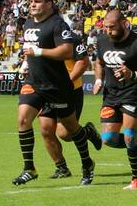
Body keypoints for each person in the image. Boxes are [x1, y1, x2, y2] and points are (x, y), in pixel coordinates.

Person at [13, 0, 99, 186]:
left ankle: (87, 163)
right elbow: (30, 50)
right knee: (24, 119)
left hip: (57, 86)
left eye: (37, 1)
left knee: (69, 130)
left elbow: (66, 51)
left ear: (49, 4)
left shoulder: (57, 24)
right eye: (31, 1)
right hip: (34, 83)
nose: (32, 4)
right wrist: (25, 64)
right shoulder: (28, 24)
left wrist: (39, 51)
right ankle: (30, 168)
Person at [92, 10, 137, 190]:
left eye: (112, 27)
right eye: (105, 27)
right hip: (111, 94)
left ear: (124, 23)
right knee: (108, 139)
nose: (108, 31)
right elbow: (99, 62)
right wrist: (99, 79)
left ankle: (136, 180)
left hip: (132, 92)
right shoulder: (102, 40)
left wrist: (133, 74)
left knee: (129, 135)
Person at [39, 30, 98, 179]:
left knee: (65, 134)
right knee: (46, 129)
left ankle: (88, 131)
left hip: (70, 90)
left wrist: (67, 82)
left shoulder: (70, 38)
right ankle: (62, 168)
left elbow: (83, 61)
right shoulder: (37, 35)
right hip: (47, 90)